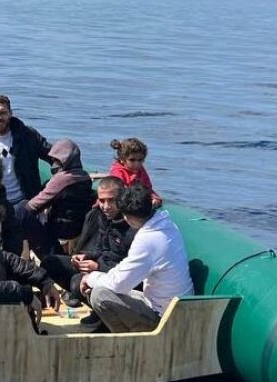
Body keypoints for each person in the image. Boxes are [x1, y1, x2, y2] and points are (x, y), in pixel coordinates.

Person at [80, 185, 192, 333]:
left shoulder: (147, 239)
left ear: (127, 217)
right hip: (175, 308)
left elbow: (119, 284)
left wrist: (90, 278)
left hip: (165, 318)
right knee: (107, 286)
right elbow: (124, 271)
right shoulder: (167, 225)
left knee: (99, 295)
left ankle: (129, 343)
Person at [0, 94, 51, 252]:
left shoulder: (27, 135)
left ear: (10, 114)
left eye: (3, 113)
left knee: (31, 236)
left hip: (22, 198)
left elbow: (52, 155)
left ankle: (52, 264)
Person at [40, 176, 134, 306]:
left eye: (111, 200)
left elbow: (131, 268)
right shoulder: (102, 216)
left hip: (117, 278)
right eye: (102, 201)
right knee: (50, 263)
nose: (106, 207)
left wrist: (99, 267)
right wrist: (86, 256)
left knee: (76, 283)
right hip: (98, 267)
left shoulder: (131, 226)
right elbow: (100, 248)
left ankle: (99, 310)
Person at [25, 139, 95, 249]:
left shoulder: (61, 180)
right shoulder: (85, 177)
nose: (54, 164)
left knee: (22, 211)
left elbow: (33, 206)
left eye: (56, 160)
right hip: (78, 227)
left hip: (60, 229)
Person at [109, 137, 162, 207]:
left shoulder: (140, 169)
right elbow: (120, 194)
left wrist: (155, 198)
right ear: (122, 159)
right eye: (132, 160)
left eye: (140, 160)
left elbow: (147, 187)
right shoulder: (117, 172)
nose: (137, 164)